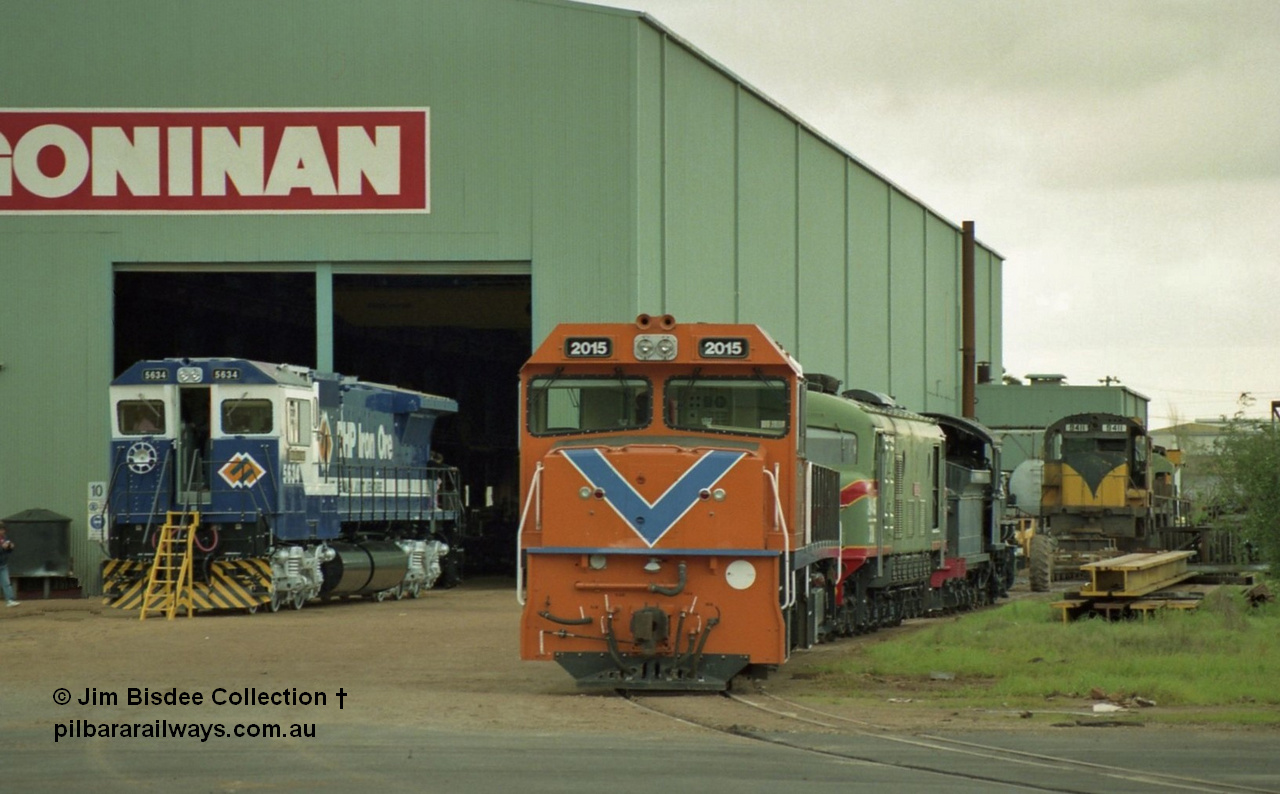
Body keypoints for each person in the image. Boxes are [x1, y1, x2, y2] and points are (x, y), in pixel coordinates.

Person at [0, 521, 18, 607]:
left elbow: (7, 551)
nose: (2, 532)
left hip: (3, 564)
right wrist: (2, 548)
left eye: (3, 530)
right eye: (1, 530)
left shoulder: (4, 538)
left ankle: (10, 600)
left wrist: (10, 547)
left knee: (6, 583)